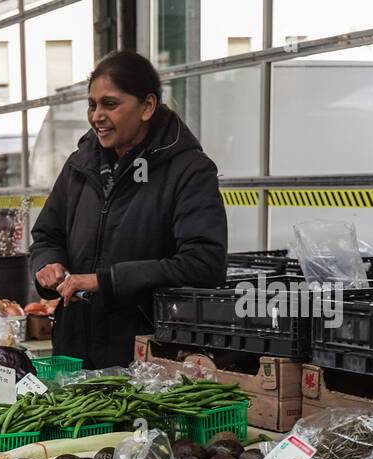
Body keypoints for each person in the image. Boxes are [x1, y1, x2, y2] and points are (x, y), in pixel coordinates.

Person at [29, 50, 227, 368]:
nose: (96, 116)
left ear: (147, 106)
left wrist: (106, 281)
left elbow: (204, 264)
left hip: (143, 363)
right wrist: (48, 263)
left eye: (110, 104)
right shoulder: (80, 165)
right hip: (72, 355)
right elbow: (46, 235)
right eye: (92, 105)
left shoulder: (188, 171)